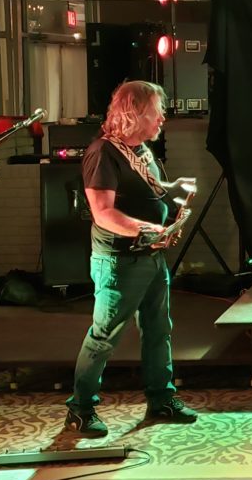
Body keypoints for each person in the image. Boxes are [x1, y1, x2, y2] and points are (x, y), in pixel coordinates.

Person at [65, 81, 197, 437]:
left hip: (150, 257)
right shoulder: (103, 153)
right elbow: (103, 213)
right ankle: (80, 409)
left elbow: (147, 191)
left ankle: (161, 399)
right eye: (157, 110)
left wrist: (172, 194)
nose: (162, 117)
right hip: (119, 262)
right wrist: (148, 229)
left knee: (158, 329)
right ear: (135, 113)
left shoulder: (140, 150)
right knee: (104, 336)